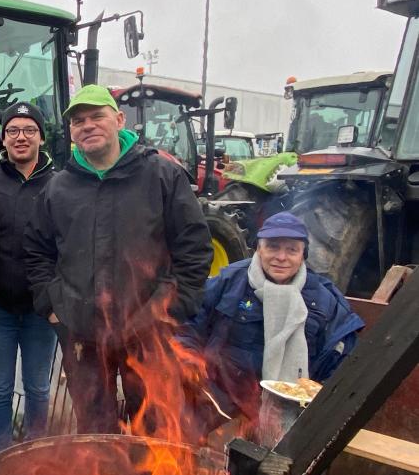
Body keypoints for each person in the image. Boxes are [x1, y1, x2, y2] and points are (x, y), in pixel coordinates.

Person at [24, 84, 212, 435]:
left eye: (97, 116)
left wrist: (171, 309)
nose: (87, 125)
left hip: (147, 326)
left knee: (153, 421)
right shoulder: (59, 188)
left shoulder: (161, 176)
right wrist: (52, 304)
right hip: (82, 331)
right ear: (71, 132)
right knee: (94, 425)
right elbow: (37, 250)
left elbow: (195, 247)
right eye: (78, 121)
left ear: (119, 119)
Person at [183, 212, 364, 425]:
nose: (281, 257)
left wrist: (325, 390)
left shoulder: (324, 299)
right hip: (221, 402)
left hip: (290, 410)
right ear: (259, 249)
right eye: (273, 247)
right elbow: (188, 324)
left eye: (291, 250)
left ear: (303, 254)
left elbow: (342, 355)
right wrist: (189, 360)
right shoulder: (229, 282)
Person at [0, 102, 58, 454]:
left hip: (42, 309)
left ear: (41, 137)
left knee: (39, 387)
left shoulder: (59, 185)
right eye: (13, 131)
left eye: (28, 130)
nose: (20, 137)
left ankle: (36, 453)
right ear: (4, 138)